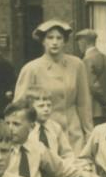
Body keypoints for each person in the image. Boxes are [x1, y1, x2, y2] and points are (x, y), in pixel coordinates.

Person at [13, 19, 94, 152]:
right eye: (50, 38)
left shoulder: (77, 65)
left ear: (65, 41)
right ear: (43, 41)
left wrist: (89, 134)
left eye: (59, 38)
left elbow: (84, 103)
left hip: (73, 133)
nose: (55, 42)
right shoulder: (32, 68)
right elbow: (19, 107)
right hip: (44, 135)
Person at [75, 29, 106, 126]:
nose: (79, 46)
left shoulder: (86, 60)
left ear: (83, 42)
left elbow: (92, 86)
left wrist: (105, 100)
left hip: (94, 111)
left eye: (79, 43)